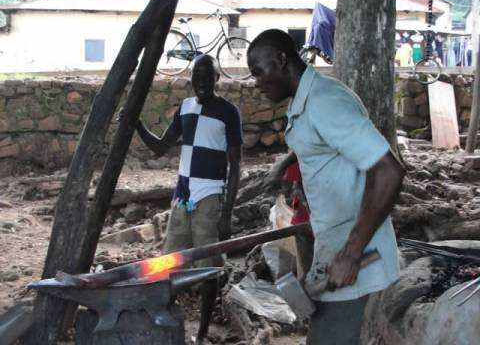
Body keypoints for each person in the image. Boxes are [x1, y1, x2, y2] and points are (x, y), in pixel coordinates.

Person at [247, 29, 405, 345]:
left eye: (259, 72)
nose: (256, 82)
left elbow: (389, 171)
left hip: (356, 257)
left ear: (281, 60)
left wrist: (352, 251)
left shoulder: (325, 101)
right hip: (334, 247)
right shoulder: (308, 101)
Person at [134, 54, 242, 344]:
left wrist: (227, 211)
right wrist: (136, 122)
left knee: (208, 267)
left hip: (209, 198)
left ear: (217, 78)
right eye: (197, 77)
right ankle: (166, 324)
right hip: (182, 198)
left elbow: (235, 167)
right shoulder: (185, 108)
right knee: (169, 263)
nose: (203, 82)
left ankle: (204, 332)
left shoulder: (228, 112)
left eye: (208, 76)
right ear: (190, 79)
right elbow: (160, 147)